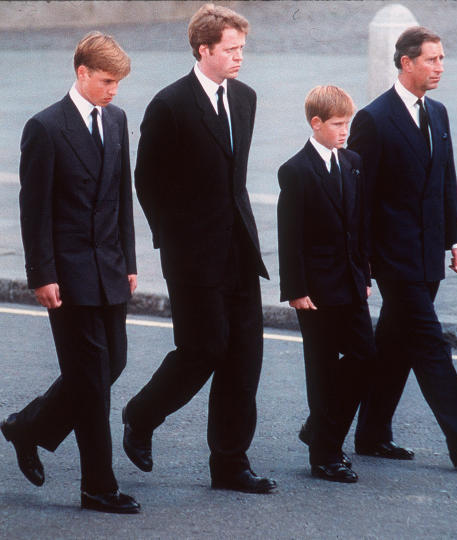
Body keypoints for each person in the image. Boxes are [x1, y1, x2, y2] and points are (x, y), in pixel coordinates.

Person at [122, 4, 277, 493]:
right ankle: (141, 415)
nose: (238, 58)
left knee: (244, 357)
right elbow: (146, 182)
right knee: (202, 349)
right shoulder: (169, 105)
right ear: (203, 49)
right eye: (230, 50)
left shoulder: (246, 98)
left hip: (239, 249)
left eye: (241, 50)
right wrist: (173, 240)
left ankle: (230, 464)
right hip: (191, 255)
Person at [4, 31, 139, 513]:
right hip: (67, 273)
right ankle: (97, 487)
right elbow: (33, 210)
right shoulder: (45, 127)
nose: (113, 90)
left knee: (111, 366)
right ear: (81, 73)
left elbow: (122, 195)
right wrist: (41, 274)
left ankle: (27, 427)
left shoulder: (118, 119)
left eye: (118, 83)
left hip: (110, 267)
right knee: (91, 382)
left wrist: (130, 260)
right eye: (106, 81)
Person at [347, 26, 457, 468]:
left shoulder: (437, 113)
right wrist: (361, 264)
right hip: (392, 257)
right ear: (406, 62)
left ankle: (363, 432)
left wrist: (456, 238)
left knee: (394, 346)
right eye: (432, 59)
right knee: (429, 341)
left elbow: (445, 180)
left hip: (428, 254)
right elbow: (360, 200)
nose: (440, 67)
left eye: (442, 59)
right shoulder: (373, 118)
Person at [278, 86, 372, 484]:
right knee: (320, 370)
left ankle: (320, 429)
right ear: (316, 124)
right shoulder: (296, 170)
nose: (345, 131)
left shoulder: (353, 162)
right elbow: (290, 236)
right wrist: (296, 289)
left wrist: (365, 275)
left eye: (347, 123)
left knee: (365, 358)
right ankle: (326, 455)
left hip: (351, 284)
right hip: (314, 291)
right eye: (337, 124)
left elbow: (360, 225)